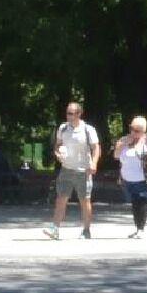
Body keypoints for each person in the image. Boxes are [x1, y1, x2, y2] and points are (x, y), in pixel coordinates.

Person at [47, 100, 99, 239]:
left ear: (79, 114)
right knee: (61, 199)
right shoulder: (63, 128)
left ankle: (86, 230)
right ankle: (55, 229)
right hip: (66, 169)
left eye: (71, 113)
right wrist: (58, 153)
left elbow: (96, 148)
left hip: (83, 171)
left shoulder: (88, 129)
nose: (68, 116)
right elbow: (58, 145)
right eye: (67, 113)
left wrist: (94, 163)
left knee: (84, 200)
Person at [115, 115, 147, 236]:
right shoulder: (124, 140)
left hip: (143, 178)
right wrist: (121, 145)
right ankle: (138, 228)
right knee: (135, 203)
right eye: (131, 129)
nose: (133, 132)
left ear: (143, 131)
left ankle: (140, 229)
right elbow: (116, 156)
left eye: (136, 130)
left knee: (142, 202)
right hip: (128, 179)